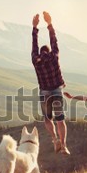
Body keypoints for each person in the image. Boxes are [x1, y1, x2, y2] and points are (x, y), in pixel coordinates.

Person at [32, 11, 70, 155]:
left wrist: (35, 27)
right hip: (57, 91)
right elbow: (54, 40)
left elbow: (34, 44)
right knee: (60, 120)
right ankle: (64, 145)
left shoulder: (36, 60)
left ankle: (54, 140)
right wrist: (49, 24)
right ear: (48, 51)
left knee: (47, 118)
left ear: (40, 53)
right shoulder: (54, 57)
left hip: (44, 93)